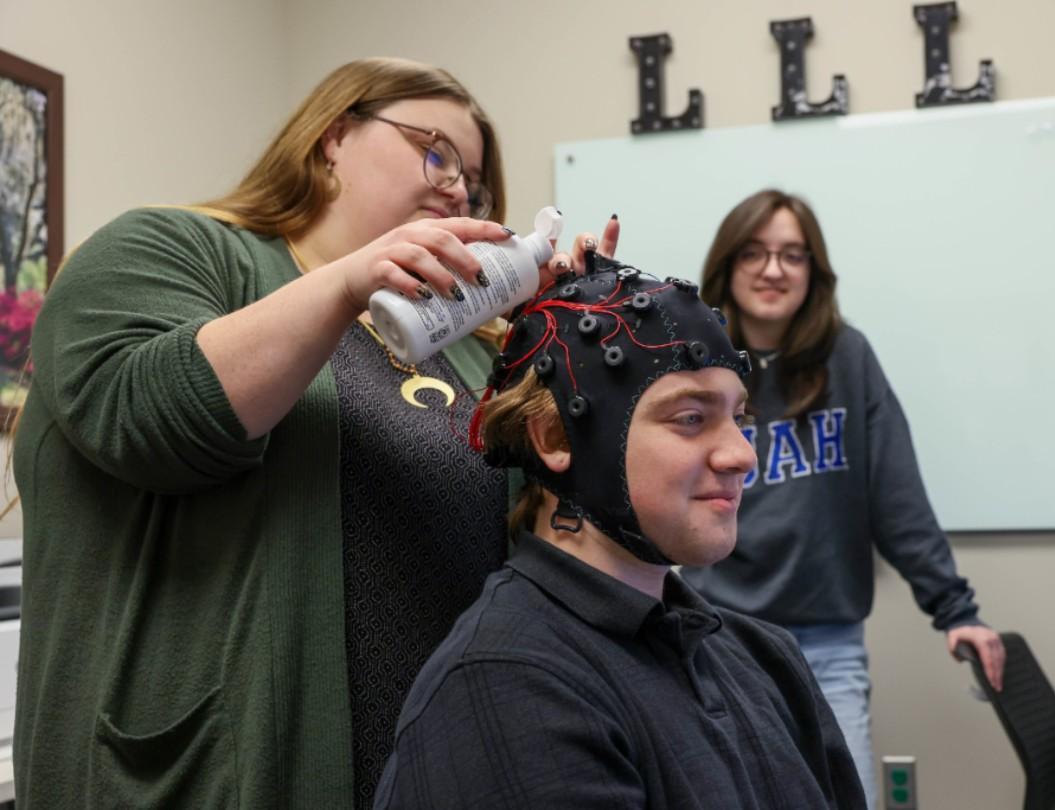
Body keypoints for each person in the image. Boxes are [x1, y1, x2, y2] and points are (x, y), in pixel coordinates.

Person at [12, 57, 614, 808]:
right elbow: (152, 419)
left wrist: (570, 346)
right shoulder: (170, 250)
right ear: (333, 136)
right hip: (216, 776)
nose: (459, 187)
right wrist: (345, 283)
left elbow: (554, 534)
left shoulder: (469, 344)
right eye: (437, 151)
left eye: (476, 181)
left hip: (430, 770)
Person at [373, 264, 866, 809]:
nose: (743, 455)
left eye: (739, 418)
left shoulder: (767, 660)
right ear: (557, 436)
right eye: (690, 418)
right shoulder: (509, 684)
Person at [682, 188, 1007, 807]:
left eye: (792, 255)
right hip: (717, 639)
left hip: (827, 645)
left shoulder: (847, 358)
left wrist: (956, 610)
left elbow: (897, 497)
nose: (773, 269)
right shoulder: (692, 366)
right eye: (754, 252)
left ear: (814, 273)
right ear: (727, 265)